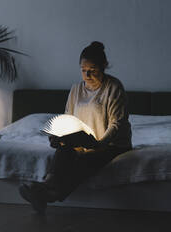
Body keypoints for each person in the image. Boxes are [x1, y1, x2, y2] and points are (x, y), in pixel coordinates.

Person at [19, 41, 132, 215]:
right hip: (83, 141)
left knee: (86, 161)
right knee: (64, 150)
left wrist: (100, 144)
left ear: (104, 66)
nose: (87, 74)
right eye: (83, 69)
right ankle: (46, 186)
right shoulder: (76, 90)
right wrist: (59, 135)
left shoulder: (114, 87)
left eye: (92, 69)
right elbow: (67, 118)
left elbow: (116, 124)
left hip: (112, 144)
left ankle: (48, 194)